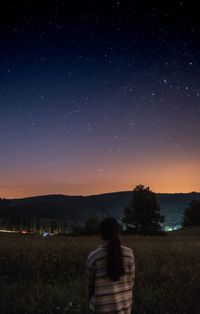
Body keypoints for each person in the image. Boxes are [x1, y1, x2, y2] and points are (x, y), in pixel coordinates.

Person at [85, 217, 135, 314]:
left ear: (101, 234)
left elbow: (89, 287)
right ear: (118, 232)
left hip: (100, 309)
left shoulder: (94, 257)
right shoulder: (129, 254)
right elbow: (131, 282)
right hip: (124, 308)